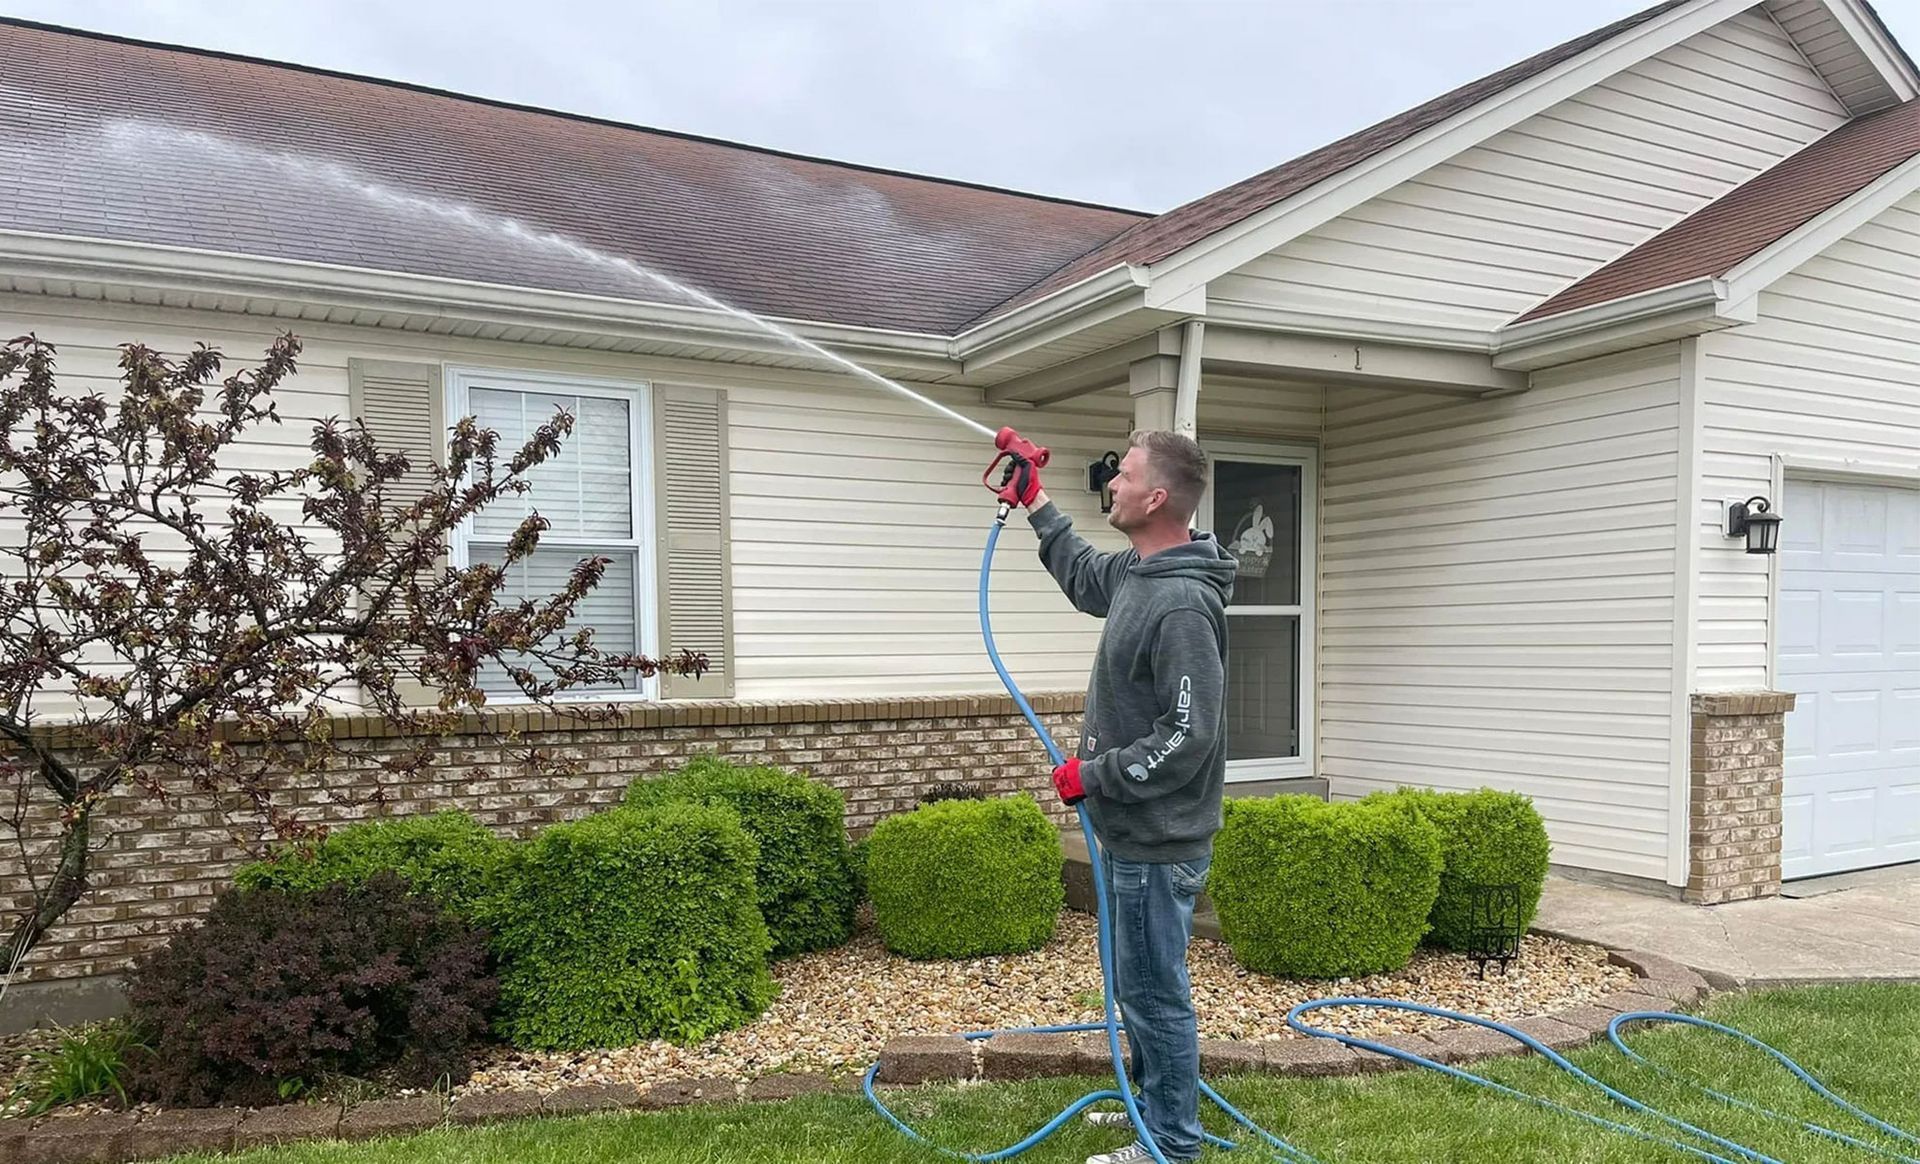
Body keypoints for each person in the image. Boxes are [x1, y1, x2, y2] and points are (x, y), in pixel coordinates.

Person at [1010, 429, 1234, 1164]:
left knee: (1152, 993)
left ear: (1157, 497)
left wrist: (1096, 775)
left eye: (1124, 476)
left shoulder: (1181, 607)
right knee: (1135, 984)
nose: (1111, 484)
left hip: (1157, 837)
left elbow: (1188, 732)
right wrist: (1036, 502)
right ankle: (1153, 1103)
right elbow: (1082, 576)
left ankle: (1170, 1141)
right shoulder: (1141, 574)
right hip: (1131, 832)